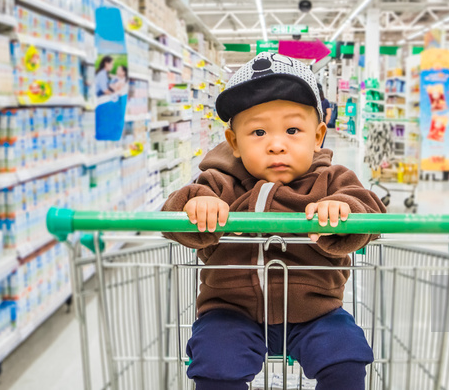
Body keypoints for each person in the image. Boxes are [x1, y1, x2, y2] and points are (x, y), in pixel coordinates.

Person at [162, 52, 385, 390]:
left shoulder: (332, 180)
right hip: (229, 309)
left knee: (347, 355)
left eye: (293, 130)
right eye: (259, 132)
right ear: (234, 142)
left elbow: (372, 210)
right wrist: (198, 205)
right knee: (214, 364)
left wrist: (344, 208)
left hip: (316, 309)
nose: (276, 145)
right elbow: (174, 214)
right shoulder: (218, 182)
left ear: (318, 135)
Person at [318, 83, 332, 148]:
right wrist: (324, 124)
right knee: (320, 146)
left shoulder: (311, 101)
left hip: (312, 126)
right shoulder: (325, 101)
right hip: (321, 126)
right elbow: (329, 114)